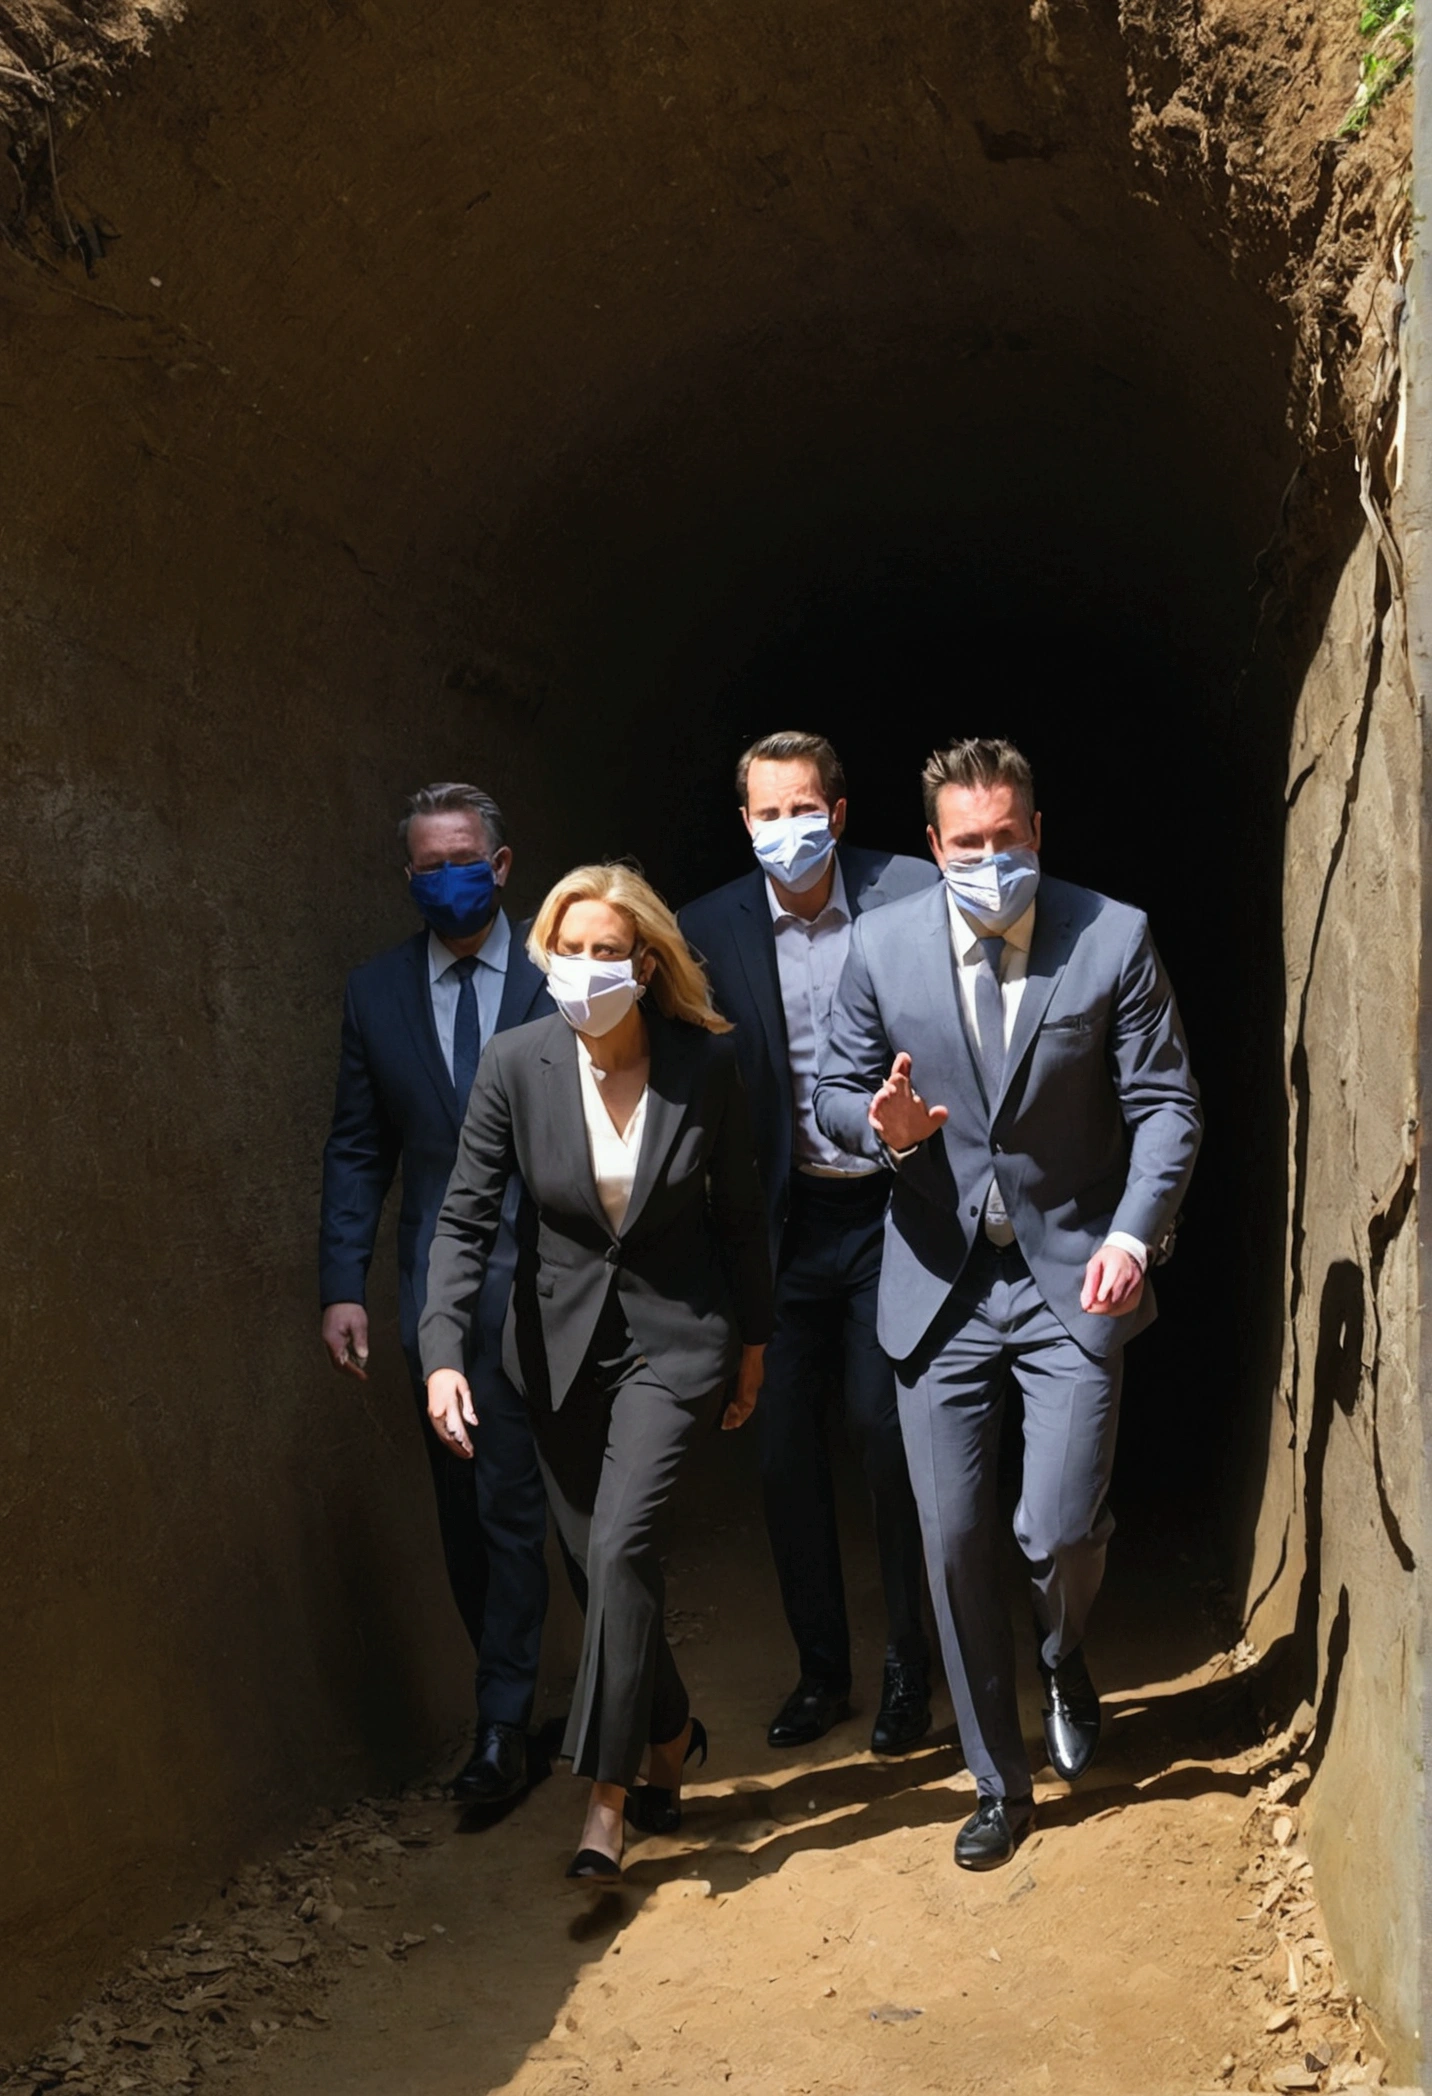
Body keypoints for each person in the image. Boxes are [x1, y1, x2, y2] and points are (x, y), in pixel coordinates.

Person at [813, 738, 1201, 1870]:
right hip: (935, 1279)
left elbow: (1166, 1104)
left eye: (1006, 837)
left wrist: (1132, 1233)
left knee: (1057, 1525)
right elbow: (836, 1089)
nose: (988, 858)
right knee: (950, 1538)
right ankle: (998, 1780)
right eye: (964, 842)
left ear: (1038, 831)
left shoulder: (1111, 935)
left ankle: (1063, 1647)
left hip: (1073, 1269)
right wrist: (872, 1130)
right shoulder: (880, 945)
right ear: (932, 847)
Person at [420, 863, 773, 1879]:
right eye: (565, 951)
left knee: (619, 1547)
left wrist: (753, 1341)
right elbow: (463, 1217)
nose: (583, 969)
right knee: (603, 1568)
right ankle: (670, 1733)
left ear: (645, 960)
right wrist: (445, 1354)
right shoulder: (513, 1063)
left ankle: (605, 1798)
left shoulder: (703, 1066)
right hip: (553, 1353)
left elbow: (741, 1216)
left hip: (678, 1339)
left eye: (604, 951)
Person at [680, 732, 937, 1756]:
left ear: (835, 814)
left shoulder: (911, 892)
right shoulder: (704, 929)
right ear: (745, 824)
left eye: (803, 809)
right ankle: (822, 1672)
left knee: (884, 1433)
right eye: (764, 813)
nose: (784, 829)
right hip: (780, 1228)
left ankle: (910, 1665)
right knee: (784, 1455)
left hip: (890, 1211)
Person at [320, 783, 552, 1808]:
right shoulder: (375, 994)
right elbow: (359, 1145)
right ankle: (508, 1713)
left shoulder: (562, 971)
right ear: (407, 877)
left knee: (572, 1507)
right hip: (440, 1298)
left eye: (464, 856)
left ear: (500, 866)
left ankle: (598, 1710)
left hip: (564, 1281)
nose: (447, 876)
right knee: (472, 1512)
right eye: (427, 864)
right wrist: (344, 1282)